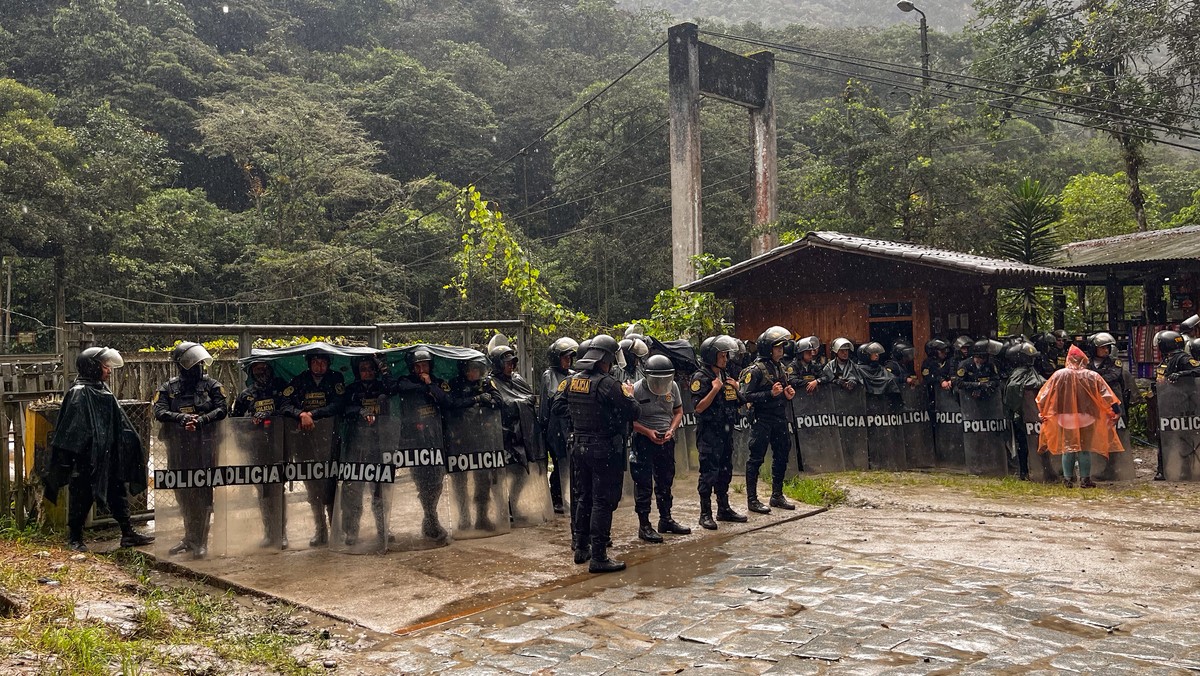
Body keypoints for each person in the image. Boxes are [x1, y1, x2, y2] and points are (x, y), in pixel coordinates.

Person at [43, 347, 154, 553]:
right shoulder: (79, 392)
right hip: (87, 458)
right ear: (92, 367)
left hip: (108, 456)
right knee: (82, 496)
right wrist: (74, 457)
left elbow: (118, 423)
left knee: (117, 493)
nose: (109, 370)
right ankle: (75, 538)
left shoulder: (103, 390)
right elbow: (71, 431)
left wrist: (129, 443)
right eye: (105, 366)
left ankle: (127, 533)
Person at [559, 335, 640, 573]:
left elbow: (558, 406)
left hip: (579, 447)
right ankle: (599, 556)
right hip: (603, 449)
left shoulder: (573, 381)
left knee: (584, 497)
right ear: (606, 358)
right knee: (602, 501)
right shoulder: (608, 384)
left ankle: (581, 547)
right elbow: (633, 411)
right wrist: (628, 394)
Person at [153, 342, 227, 559]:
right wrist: (182, 418)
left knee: (203, 493)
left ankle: (201, 541)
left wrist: (202, 420)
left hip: (205, 447)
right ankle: (189, 537)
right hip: (178, 448)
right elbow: (159, 411)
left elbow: (222, 409)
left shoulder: (212, 385)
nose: (196, 367)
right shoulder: (168, 387)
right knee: (183, 493)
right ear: (180, 365)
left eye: (199, 363)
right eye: (191, 363)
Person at [280, 352, 344, 547]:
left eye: (323, 362)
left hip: (330, 439)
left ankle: (336, 530)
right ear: (309, 363)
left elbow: (339, 404)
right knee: (312, 484)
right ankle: (320, 529)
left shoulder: (335, 379)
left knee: (331, 482)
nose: (319, 366)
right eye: (315, 362)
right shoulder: (299, 380)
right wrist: (300, 414)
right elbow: (284, 404)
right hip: (304, 441)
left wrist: (313, 414)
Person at [1036, 344, 1123, 488]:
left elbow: (1044, 395)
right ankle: (1085, 479)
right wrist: (1117, 410)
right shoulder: (1092, 375)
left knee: (1068, 448)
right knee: (1084, 448)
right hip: (1087, 417)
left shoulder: (1059, 375)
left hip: (1065, 418)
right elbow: (1107, 395)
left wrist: (1042, 412)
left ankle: (1068, 479)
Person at [393, 348, 452, 542]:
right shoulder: (406, 381)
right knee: (422, 481)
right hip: (415, 441)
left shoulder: (437, 382)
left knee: (436, 482)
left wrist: (430, 384)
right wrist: (424, 386)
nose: (421, 369)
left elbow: (446, 400)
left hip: (435, 440)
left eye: (424, 365)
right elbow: (402, 388)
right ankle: (432, 520)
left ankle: (430, 518)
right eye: (417, 366)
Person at [484, 343, 547, 522]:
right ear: (497, 364)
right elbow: (502, 403)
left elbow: (529, 397)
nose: (510, 366)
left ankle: (513, 503)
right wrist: (520, 403)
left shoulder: (517, 379)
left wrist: (520, 403)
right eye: (507, 363)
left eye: (513, 363)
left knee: (520, 473)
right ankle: (500, 509)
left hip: (522, 434)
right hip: (502, 435)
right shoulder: (490, 382)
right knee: (498, 476)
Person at [630, 355, 689, 543]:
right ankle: (644, 524)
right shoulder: (637, 389)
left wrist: (672, 429)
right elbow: (629, 420)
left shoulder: (673, 387)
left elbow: (678, 411)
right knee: (643, 483)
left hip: (666, 439)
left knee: (665, 481)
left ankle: (666, 519)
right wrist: (647, 432)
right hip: (643, 440)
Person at [690, 335, 746, 530]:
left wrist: (737, 389)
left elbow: (739, 400)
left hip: (726, 432)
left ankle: (724, 508)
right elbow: (698, 407)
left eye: (725, 355)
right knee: (708, 473)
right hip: (709, 434)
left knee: (725, 471)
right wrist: (714, 390)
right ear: (711, 356)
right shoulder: (701, 378)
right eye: (722, 355)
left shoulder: (725, 374)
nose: (725, 359)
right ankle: (705, 514)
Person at [231, 358, 289, 549]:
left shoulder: (281, 388)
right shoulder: (245, 395)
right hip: (256, 449)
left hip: (279, 446)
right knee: (263, 491)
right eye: (256, 369)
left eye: (264, 368)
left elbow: (290, 408)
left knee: (277, 489)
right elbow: (235, 421)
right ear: (251, 372)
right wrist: (248, 421)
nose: (261, 371)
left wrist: (272, 415)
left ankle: (281, 533)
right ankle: (268, 533)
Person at [740, 326, 796, 514]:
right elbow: (745, 396)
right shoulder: (755, 370)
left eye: (782, 347)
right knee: (755, 459)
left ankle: (777, 495)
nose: (781, 350)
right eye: (777, 347)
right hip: (762, 419)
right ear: (767, 348)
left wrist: (788, 393)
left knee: (782, 454)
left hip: (780, 418)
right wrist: (769, 394)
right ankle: (752, 500)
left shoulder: (780, 366)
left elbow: (784, 388)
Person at [338, 355, 391, 548]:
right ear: (357, 372)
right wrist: (360, 411)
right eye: (363, 369)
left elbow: (392, 388)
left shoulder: (382, 388)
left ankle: (383, 529)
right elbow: (343, 406)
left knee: (379, 489)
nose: (367, 372)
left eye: (370, 369)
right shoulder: (352, 390)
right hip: (356, 445)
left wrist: (382, 368)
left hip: (379, 445)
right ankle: (351, 531)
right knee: (353, 490)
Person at [445, 356, 501, 531]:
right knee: (460, 481)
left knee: (483, 480)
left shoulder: (486, 383)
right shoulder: (454, 384)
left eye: (476, 369)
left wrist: (487, 401)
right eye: (470, 369)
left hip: (481, 438)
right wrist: (475, 400)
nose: (473, 373)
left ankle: (482, 517)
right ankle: (463, 518)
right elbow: (451, 403)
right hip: (460, 439)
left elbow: (499, 401)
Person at [540, 337, 578, 515]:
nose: (568, 361)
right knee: (558, 462)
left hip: (570, 426)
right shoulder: (549, 375)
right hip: (555, 427)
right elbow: (554, 398)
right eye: (565, 357)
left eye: (570, 358)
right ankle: (556, 498)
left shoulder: (572, 373)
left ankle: (569, 495)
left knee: (571, 463)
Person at [1003, 342, 1044, 481]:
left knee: (1031, 443)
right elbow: (1012, 391)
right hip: (1021, 415)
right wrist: (1017, 410)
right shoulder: (1018, 374)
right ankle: (1024, 471)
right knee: (1023, 444)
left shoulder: (1032, 371)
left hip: (1031, 415)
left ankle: (1032, 470)